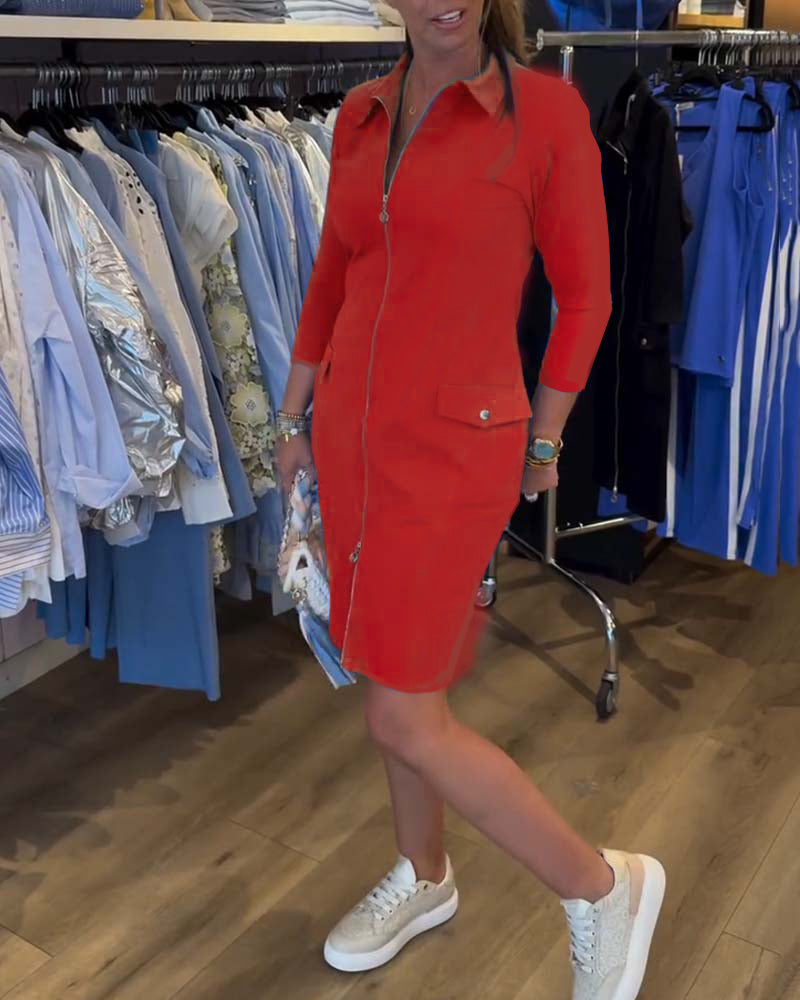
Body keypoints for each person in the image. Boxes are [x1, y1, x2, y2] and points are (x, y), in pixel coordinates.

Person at [275, 0, 666, 993]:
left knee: (401, 718)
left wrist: (547, 435)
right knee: (394, 673)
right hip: (354, 443)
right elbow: (333, 272)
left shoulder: (544, 112)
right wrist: (289, 415)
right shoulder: (360, 113)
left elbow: (587, 295)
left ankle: (601, 887)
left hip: (457, 450)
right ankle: (423, 872)